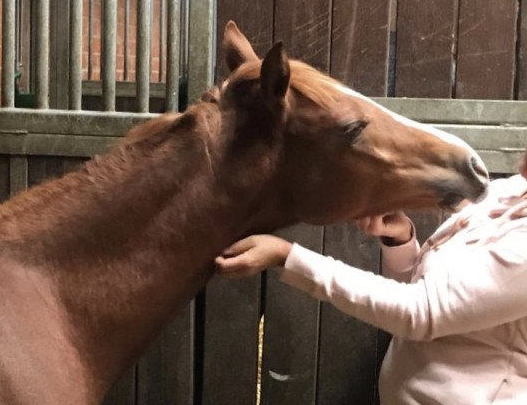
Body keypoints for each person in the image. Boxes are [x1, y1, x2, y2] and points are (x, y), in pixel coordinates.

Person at [215, 150, 527, 404]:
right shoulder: (510, 191)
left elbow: (423, 312)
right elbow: (432, 293)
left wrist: (289, 257)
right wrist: (399, 240)